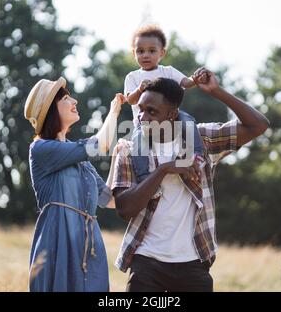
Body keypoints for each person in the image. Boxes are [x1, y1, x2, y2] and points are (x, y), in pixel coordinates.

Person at [110, 69, 270, 291]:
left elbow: (258, 125)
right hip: (145, 262)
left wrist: (217, 91)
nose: (142, 118)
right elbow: (124, 209)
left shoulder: (201, 140)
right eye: (141, 111)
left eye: (151, 111)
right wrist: (164, 170)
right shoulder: (129, 150)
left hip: (193, 262)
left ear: (172, 115)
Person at [24, 76, 125, 291]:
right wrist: (114, 110)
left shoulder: (79, 159)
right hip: (58, 240)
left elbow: (109, 199)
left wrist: (118, 160)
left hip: (89, 244)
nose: (74, 102)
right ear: (51, 109)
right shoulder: (41, 148)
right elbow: (101, 144)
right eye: (66, 98)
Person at [123, 24, 207, 182]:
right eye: (140, 51)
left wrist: (195, 79)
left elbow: (185, 82)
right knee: (138, 143)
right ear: (134, 53)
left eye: (152, 51)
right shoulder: (132, 77)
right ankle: (143, 177)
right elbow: (130, 100)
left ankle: (197, 155)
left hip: (171, 116)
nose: (145, 55)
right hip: (143, 122)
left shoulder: (167, 71)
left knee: (188, 121)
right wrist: (139, 90)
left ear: (162, 52)